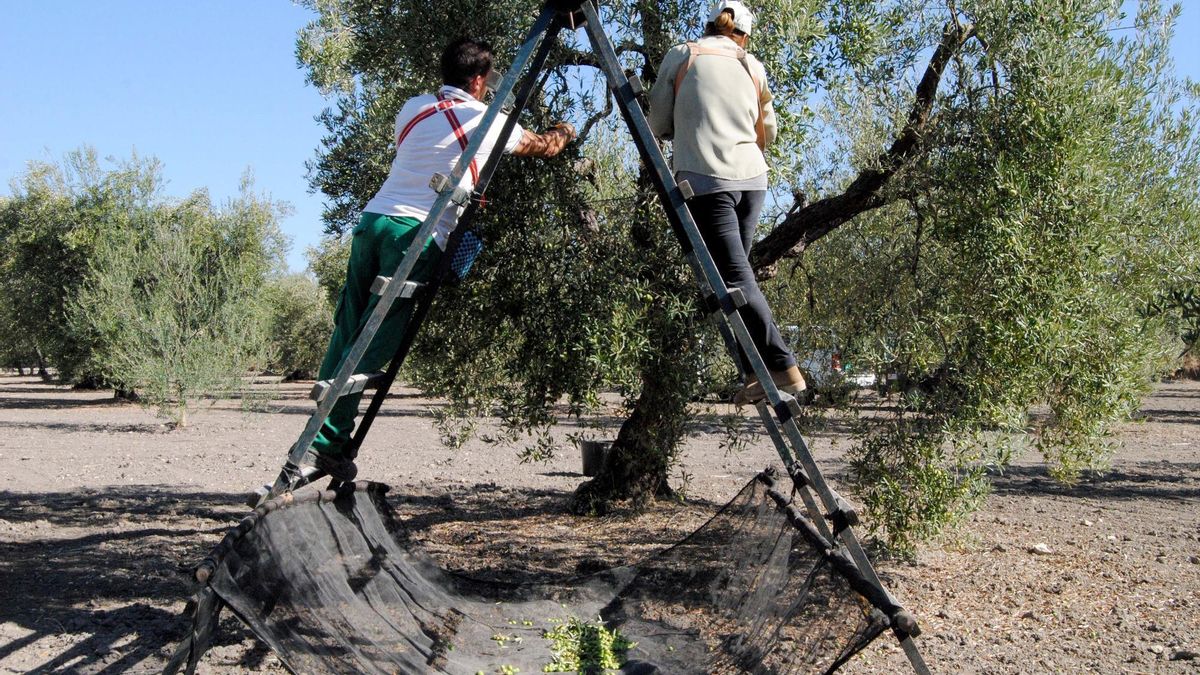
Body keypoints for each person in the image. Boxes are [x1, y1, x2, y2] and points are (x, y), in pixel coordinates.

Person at [311, 38, 577, 481]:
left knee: (349, 324)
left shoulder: (413, 108)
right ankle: (328, 443)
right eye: (487, 81)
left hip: (373, 221)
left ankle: (321, 434)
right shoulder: (487, 119)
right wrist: (565, 131)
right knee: (375, 337)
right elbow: (543, 147)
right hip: (413, 234)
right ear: (477, 80)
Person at [647, 0, 804, 405]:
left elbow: (658, 124)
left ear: (711, 26)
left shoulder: (685, 55)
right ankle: (758, 370)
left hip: (706, 180)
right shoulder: (753, 66)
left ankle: (785, 367)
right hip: (753, 181)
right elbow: (767, 133)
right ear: (743, 35)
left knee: (734, 277)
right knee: (735, 279)